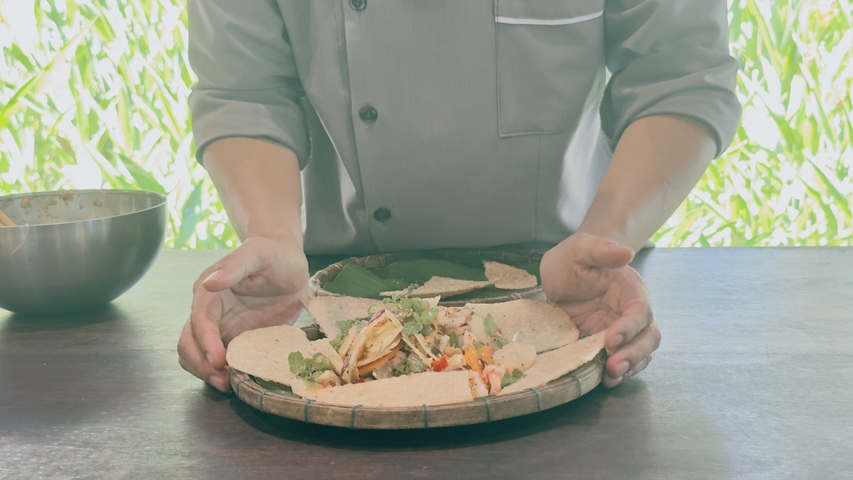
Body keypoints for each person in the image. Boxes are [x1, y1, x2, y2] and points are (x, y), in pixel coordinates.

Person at [177, 0, 741, 393]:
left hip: (569, 289)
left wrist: (606, 239)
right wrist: (272, 236)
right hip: (324, 294)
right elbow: (245, 91)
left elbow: (679, 74)